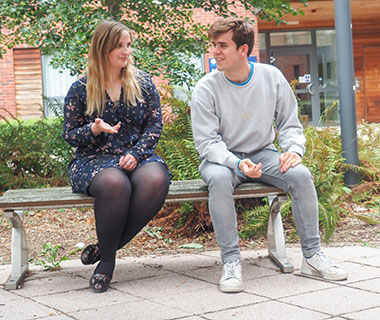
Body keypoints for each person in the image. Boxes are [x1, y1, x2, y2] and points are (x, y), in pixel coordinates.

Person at [191, 18, 348, 293]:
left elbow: (289, 123)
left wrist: (294, 151)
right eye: (213, 45)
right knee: (217, 179)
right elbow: (207, 142)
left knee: (300, 175)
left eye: (222, 46)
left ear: (243, 50)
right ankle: (230, 262)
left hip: (263, 153)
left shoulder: (271, 77)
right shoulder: (206, 88)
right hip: (222, 160)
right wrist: (236, 162)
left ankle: (312, 257)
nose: (214, 52)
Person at [63, 20, 170, 293]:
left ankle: (105, 247)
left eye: (128, 45)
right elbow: (70, 135)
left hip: (137, 155)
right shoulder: (81, 88)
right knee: (115, 184)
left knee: (156, 179)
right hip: (93, 159)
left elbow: (154, 125)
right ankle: (107, 263)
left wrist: (136, 153)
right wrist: (94, 129)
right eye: (119, 46)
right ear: (103, 48)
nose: (126, 52)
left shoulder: (143, 83)